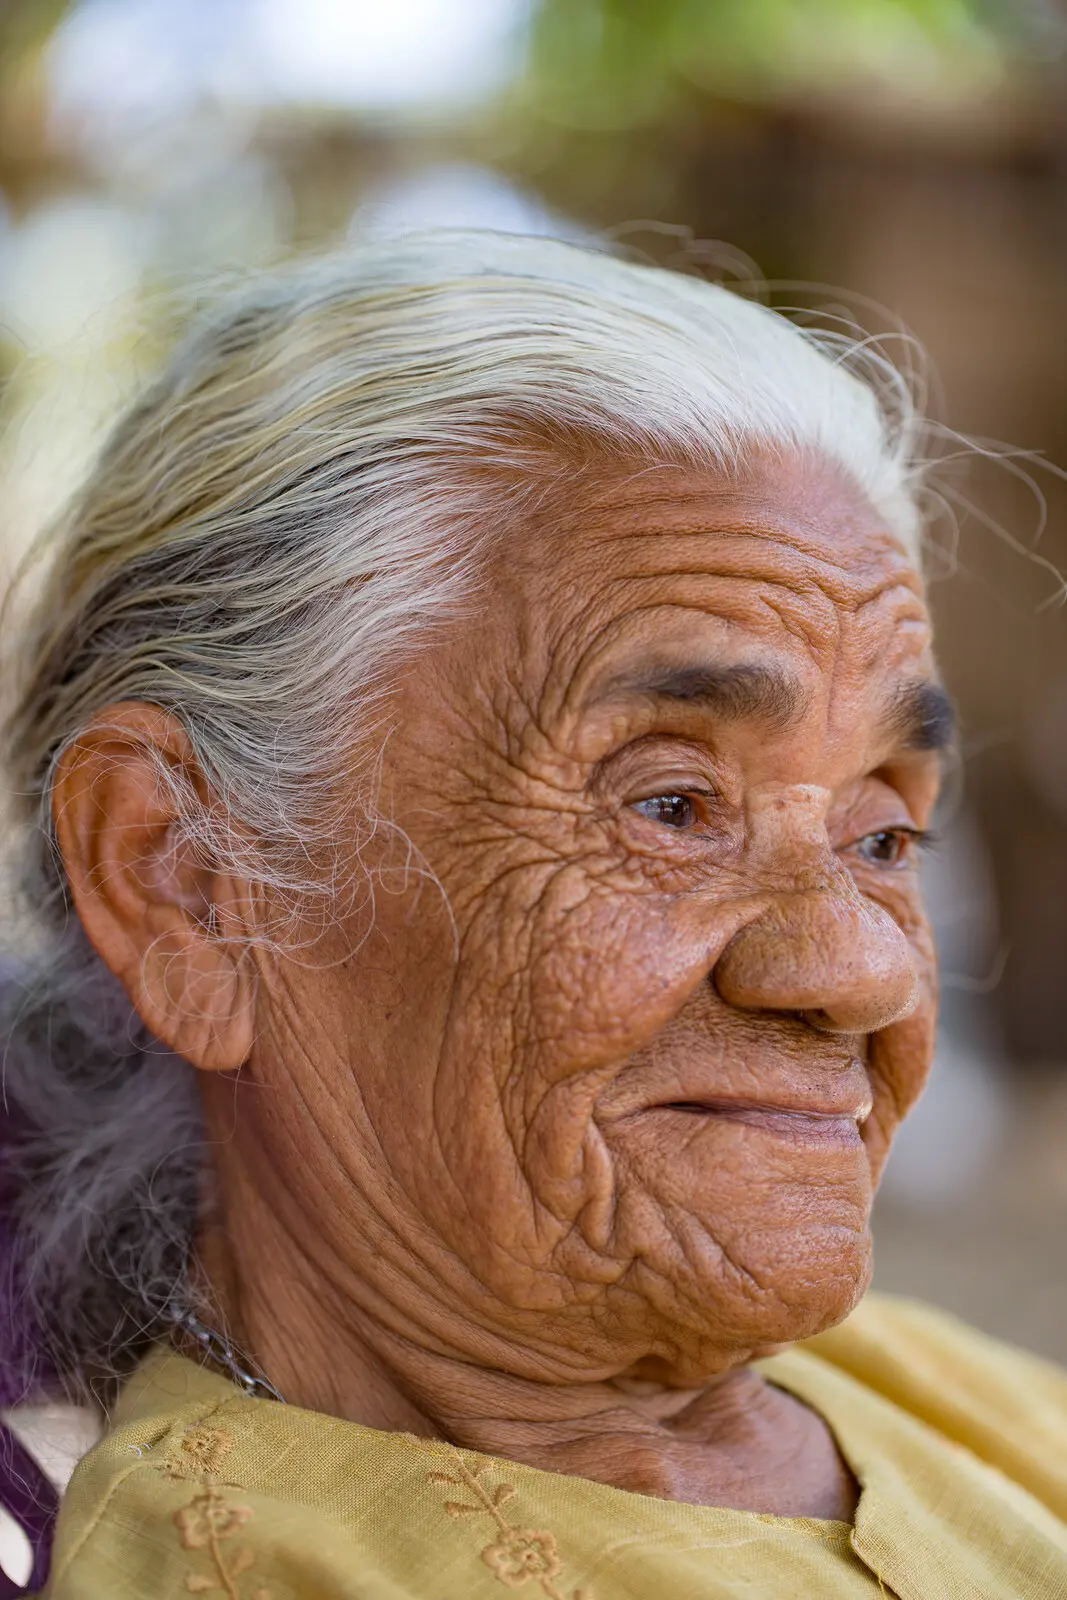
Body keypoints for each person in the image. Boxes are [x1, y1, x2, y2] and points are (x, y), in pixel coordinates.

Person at [0, 231, 1064, 1600]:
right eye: (670, 806)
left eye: (880, 834)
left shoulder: (921, 1381)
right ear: (188, 886)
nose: (856, 973)